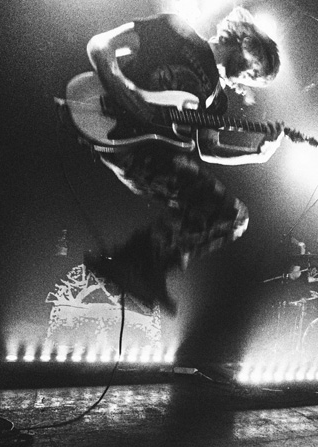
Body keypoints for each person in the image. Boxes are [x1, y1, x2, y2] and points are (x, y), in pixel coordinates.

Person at [81, 7, 283, 314]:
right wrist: (122, 87)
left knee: (230, 217)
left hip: (145, 155)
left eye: (258, 80)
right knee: (231, 214)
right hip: (110, 122)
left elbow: (208, 149)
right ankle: (134, 263)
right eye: (258, 68)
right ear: (247, 41)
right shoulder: (176, 31)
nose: (252, 78)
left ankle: (139, 266)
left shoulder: (217, 99)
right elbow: (100, 45)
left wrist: (257, 154)